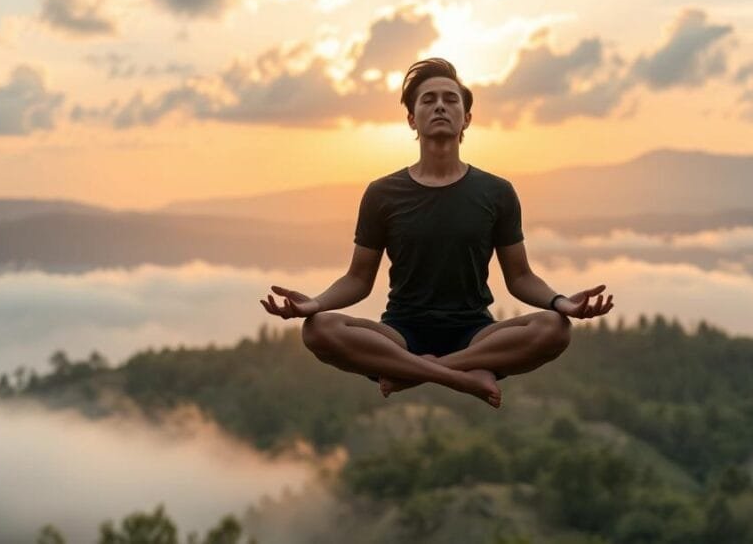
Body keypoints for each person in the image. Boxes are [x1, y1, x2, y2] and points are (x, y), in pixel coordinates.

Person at [260, 58, 614, 408]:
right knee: (317, 329)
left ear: (466, 118)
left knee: (555, 328)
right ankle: (463, 378)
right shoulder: (382, 193)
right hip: (400, 333)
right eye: (428, 100)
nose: (440, 106)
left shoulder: (497, 192)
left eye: (450, 99)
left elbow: (520, 277)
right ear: (412, 119)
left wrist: (562, 303)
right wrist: (314, 304)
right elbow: (358, 279)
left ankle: (412, 374)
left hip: (476, 334)